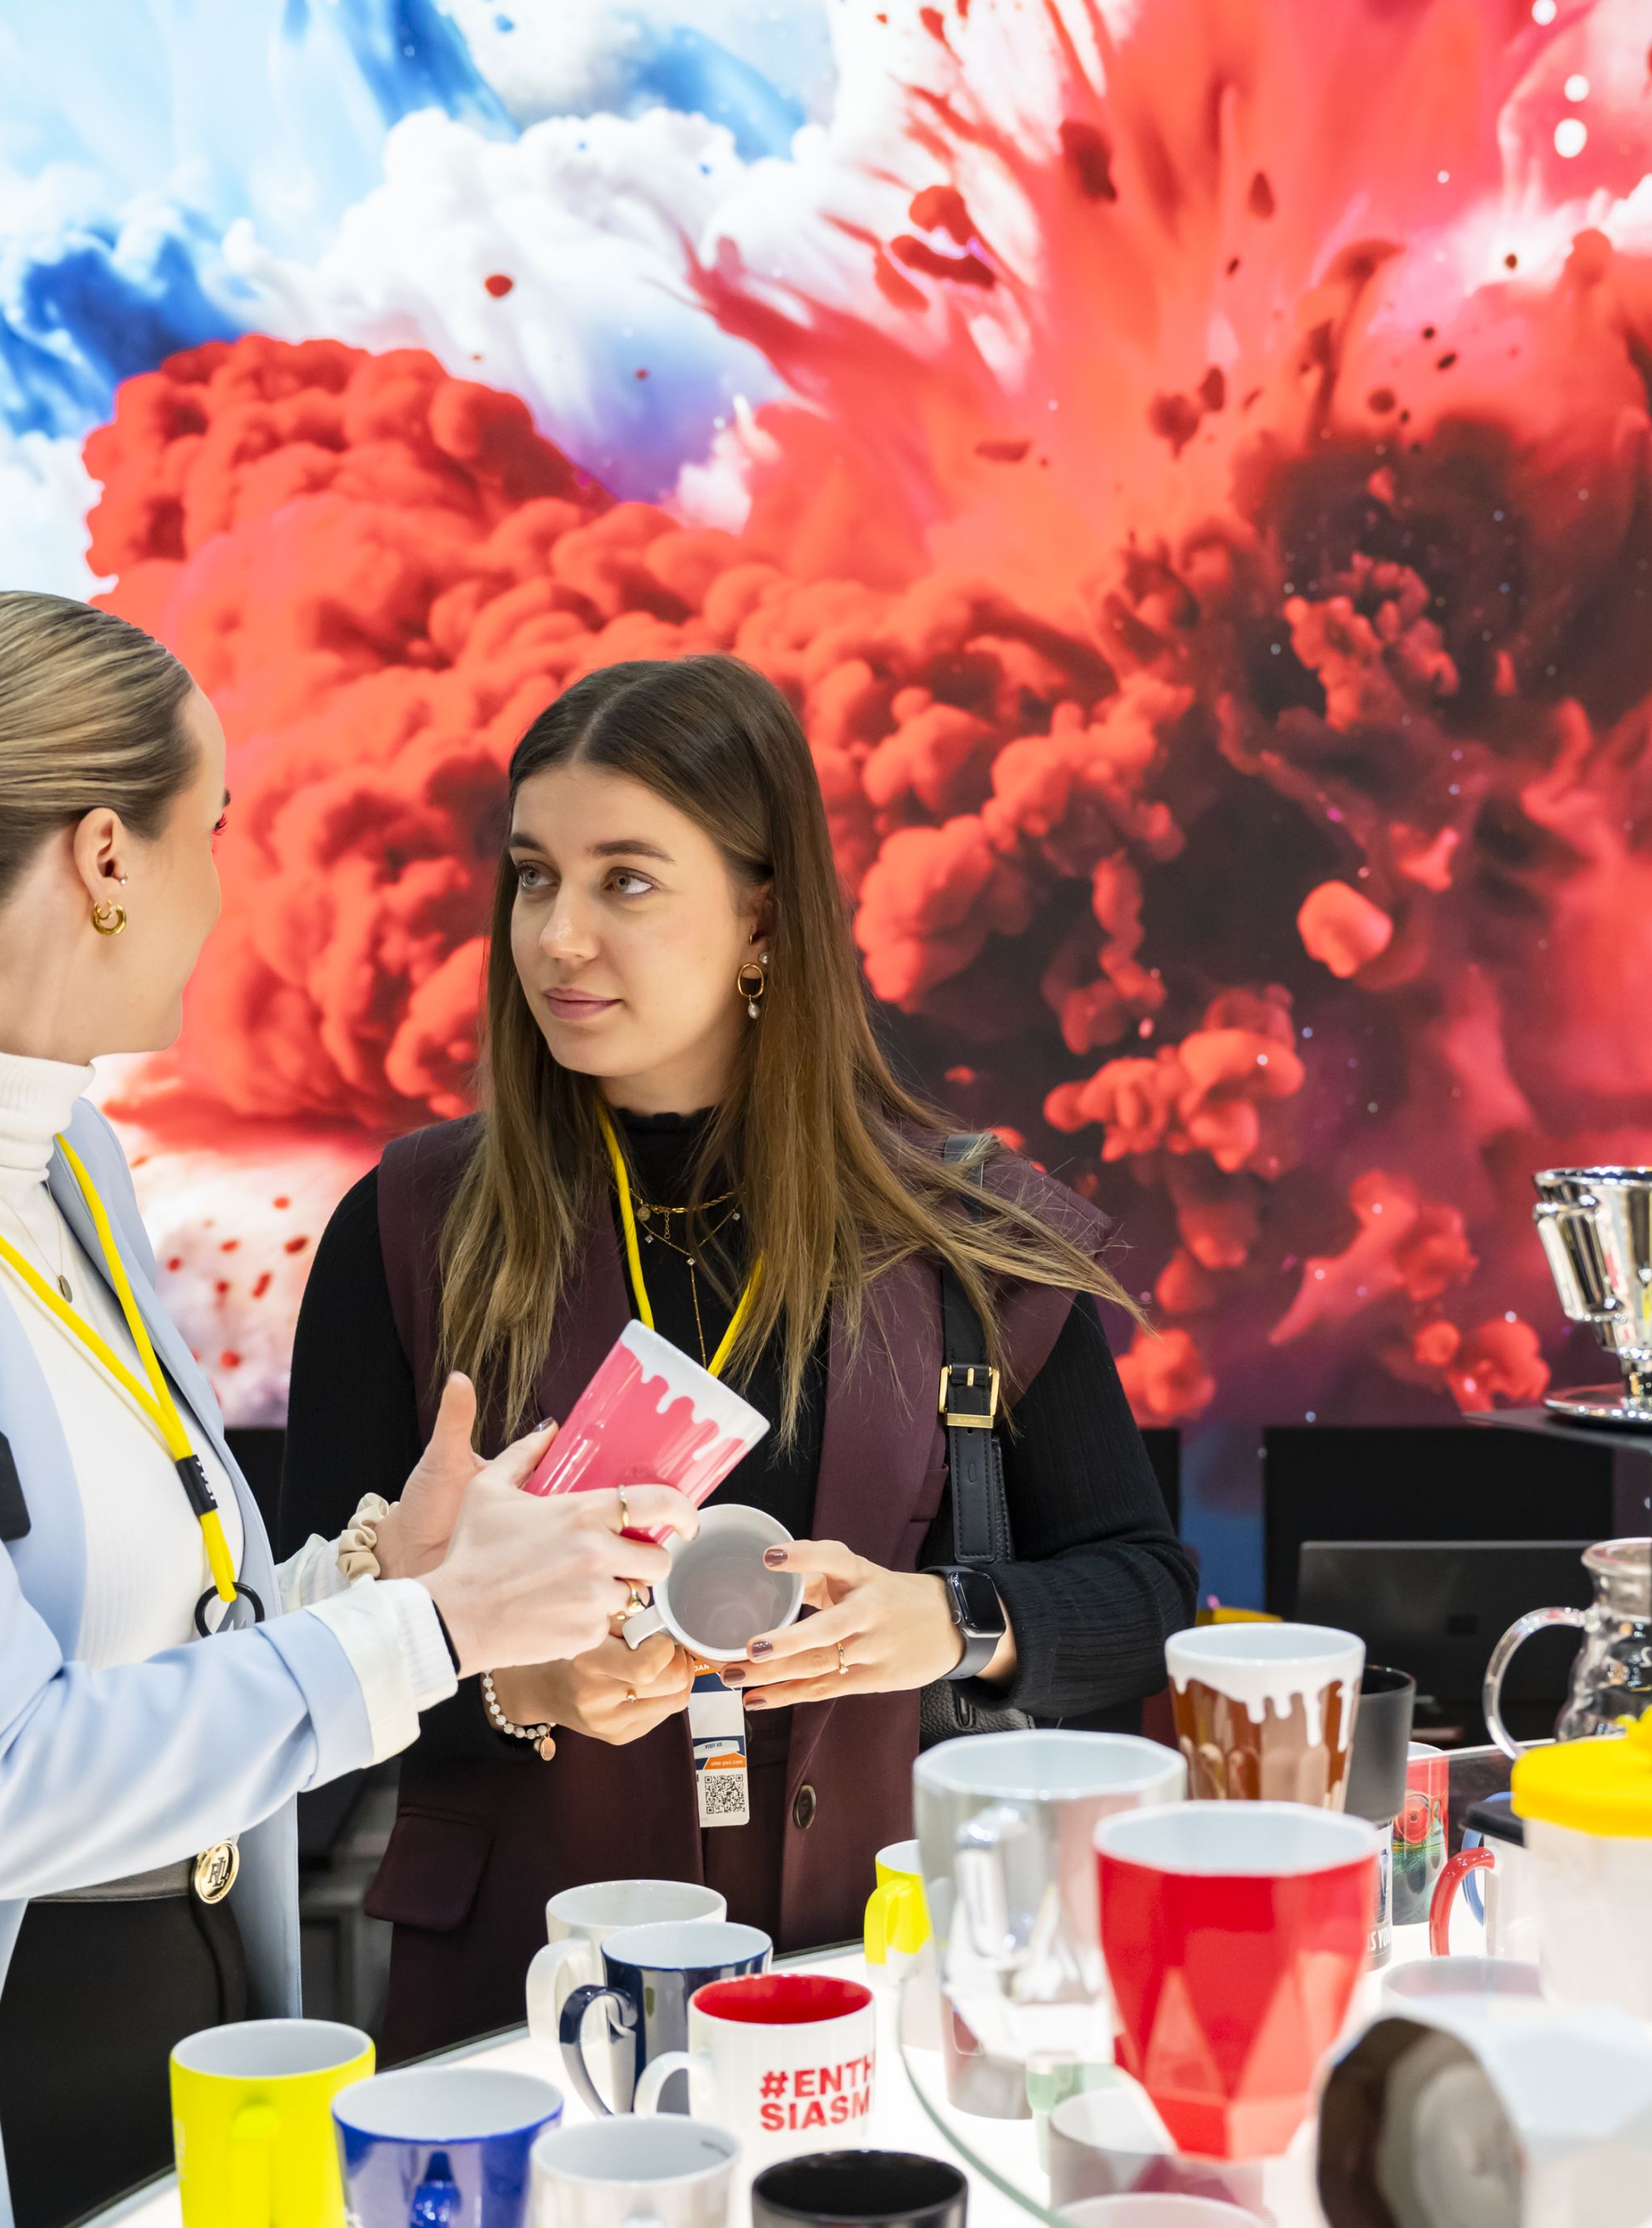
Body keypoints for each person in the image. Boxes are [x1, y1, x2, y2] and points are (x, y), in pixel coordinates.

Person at [0, 591, 689, 2228]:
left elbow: (146, 1656)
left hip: (190, 2055)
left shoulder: (69, 1161)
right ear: (106, 857)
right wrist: (433, 1633)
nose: (223, 886)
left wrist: (383, 1574)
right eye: (213, 831)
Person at [281, 653, 1195, 2060]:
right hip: (522, 2008)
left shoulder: (969, 1230)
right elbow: (287, 1664)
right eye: (534, 877)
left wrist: (944, 1621)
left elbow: (1147, 1592)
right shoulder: (410, 1227)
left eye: (625, 881)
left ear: (763, 916)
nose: (558, 936)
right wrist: (511, 1691)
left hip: (882, 1992)